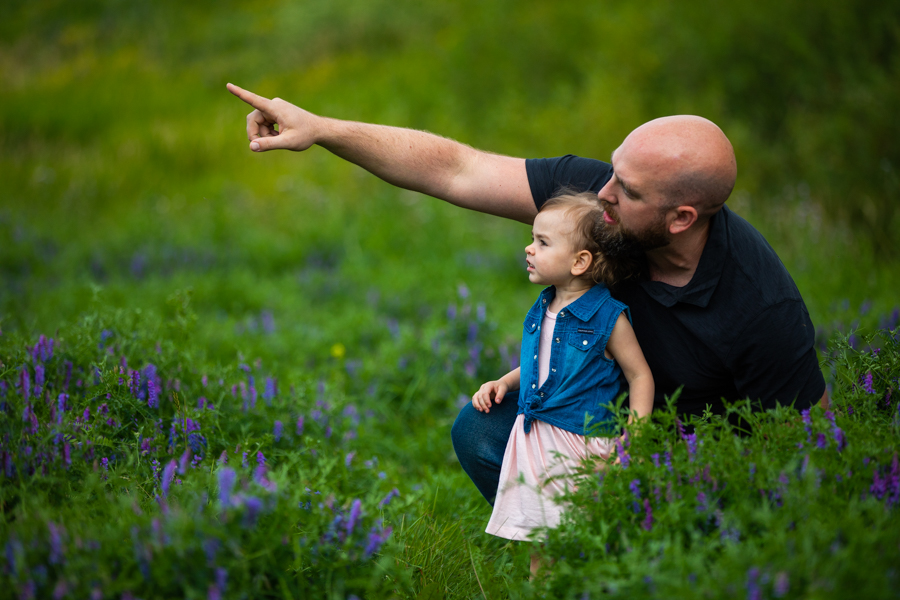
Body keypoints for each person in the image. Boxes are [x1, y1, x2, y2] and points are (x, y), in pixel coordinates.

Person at [226, 83, 829, 506]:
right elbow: (457, 169)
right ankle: (571, 548)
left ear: (681, 218)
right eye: (613, 170)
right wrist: (325, 129)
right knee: (483, 431)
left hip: (695, 458)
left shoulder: (762, 308)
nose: (605, 193)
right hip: (596, 417)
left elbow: (809, 450)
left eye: (629, 189)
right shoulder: (605, 202)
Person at [470, 191, 653, 575]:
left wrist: (632, 439)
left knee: (579, 537)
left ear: (580, 261)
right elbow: (542, 365)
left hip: (580, 445)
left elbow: (640, 375)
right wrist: (504, 382)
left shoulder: (607, 316)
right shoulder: (544, 305)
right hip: (537, 438)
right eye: (532, 239)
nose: (528, 248)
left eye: (542, 242)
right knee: (544, 540)